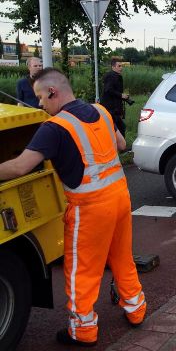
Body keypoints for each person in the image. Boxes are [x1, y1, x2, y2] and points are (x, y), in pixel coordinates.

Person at [0, 68, 146, 347]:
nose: (40, 105)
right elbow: (121, 143)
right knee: (122, 258)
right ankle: (137, 310)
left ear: (53, 92)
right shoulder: (101, 111)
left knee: (82, 271)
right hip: (120, 197)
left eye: (41, 98)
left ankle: (83, 331)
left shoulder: (54, 128)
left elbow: (20, 166)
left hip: (90, 208)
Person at [100, 58, 130, 136]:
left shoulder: (116, 76)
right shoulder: (111, 76)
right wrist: (121, 95)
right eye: (119, 66)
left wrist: (123, 96)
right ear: (113, 67)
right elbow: (108, 90)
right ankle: (119, 146)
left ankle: (118, 146)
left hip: (114, 108)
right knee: (120, 128)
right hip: (110, 108)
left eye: (121, 66)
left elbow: (112, 90)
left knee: (119, 128)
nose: (121, 68)